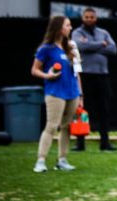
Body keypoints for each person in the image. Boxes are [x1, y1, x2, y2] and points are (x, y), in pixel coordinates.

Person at [31, 16, 83, 172]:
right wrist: (47, 76)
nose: (71, 28)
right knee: (51, 126)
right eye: (68, 25)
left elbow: (77, 72)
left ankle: (62, 160)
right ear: (59, 28)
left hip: (72, 93)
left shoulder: (71, 47)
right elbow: (34, 70)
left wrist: (80, 94)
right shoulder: (46, 48)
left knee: (67, 127)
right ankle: (40, 161)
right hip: (55, 93)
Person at [71, 7, 117, 152]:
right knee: (83, 109)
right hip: (85, 75)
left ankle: (105, 143)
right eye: (87, 17)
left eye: (92, 17)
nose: (89, 19)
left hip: (102, 75)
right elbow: (79, 46)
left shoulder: (103, 33)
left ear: (96, 18)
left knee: (104, 109)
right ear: (82, 18)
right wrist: (101, 45)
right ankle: (80, 143)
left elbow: (113, 49)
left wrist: (91, 47)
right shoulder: (77, 33)